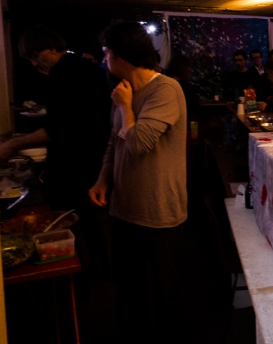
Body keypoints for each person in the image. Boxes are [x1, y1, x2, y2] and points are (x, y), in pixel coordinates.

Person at [89, 21, 188, 343]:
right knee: (128, 292)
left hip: (159, 212)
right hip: (123, 209)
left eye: (107, 53)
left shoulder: (165, 89)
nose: (104, 60)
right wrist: (103, 178)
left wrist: (125, 107)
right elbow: (114, 143)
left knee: (167, 296)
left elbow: (138, 143)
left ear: (123, 55)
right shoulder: (123, 92)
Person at [0, 25, 112, 275]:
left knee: (66, 218)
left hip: (73, 161)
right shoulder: (86, 69)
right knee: (86, 217)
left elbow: (58, 129)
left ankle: (71, 273)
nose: (35, 64)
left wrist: (12, 144)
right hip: (93, 156)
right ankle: (99, 268)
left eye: (36, 56)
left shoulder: (64, 74)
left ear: (51, 48)